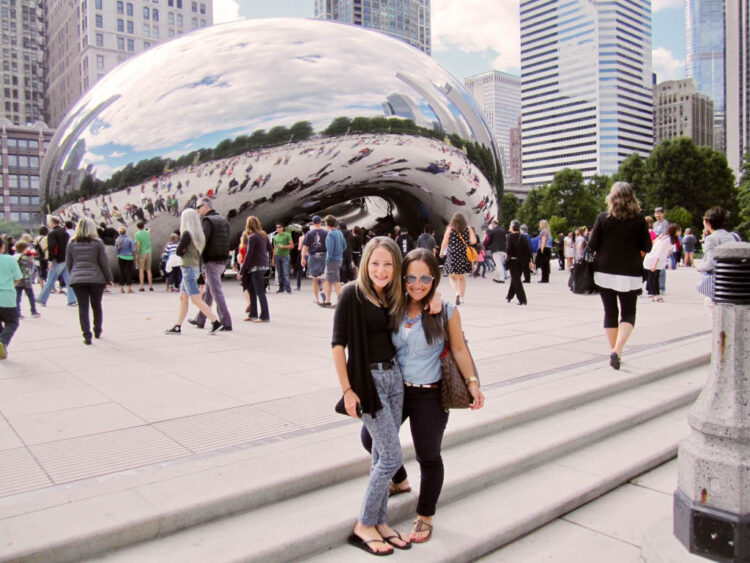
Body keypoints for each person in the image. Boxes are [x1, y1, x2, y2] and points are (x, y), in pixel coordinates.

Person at [361, 249, 484, 544]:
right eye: (411, 278)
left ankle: (425, 515)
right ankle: (400, 480)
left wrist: (473, 383)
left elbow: (458, 349)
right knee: (370, 438)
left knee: (428, 455)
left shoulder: (446, 311)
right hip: (396, 391)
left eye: (425, 279)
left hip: (429, 394)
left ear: (435, 278)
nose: (418, 284)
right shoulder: (394, 305)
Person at [331, 237, 409, 556]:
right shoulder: (352, 294)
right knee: (391, 456)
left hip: (394, 379)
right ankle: (364, 523)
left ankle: (380, 521)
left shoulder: (390, 295)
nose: (381, 270)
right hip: (368, 381)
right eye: (375, 263)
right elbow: (338, 345)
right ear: (365, 264)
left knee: (380, 454)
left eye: (388, 264)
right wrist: (347, 390)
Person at [588, 182, 652, 370]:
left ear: (612, 198)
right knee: (628, 313)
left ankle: (613, 350)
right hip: (630, 272)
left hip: (604, 271)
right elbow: (647, 247)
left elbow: (592, 244)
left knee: (610, 312)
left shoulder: (603, 218)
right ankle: (618, 350)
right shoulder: (639, 220)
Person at [165, 209, 224, 335]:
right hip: (193, 267)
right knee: (183, 297)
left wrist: (183, 250)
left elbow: (178, 251)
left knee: (195, 299)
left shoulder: (187, 234)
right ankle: (177, 326)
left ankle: (215, 322)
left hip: (188, 269)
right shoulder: (199, 235)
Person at [66, 218, 115, 345]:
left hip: (78, 279)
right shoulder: (98, 243)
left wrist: (73, 275)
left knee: (83, 307)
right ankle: (97, 330)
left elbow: (69, 263)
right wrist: (109, 278)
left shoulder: (71, 243)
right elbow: (104, 262)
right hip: (96, 278)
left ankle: (86, 335)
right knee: (96, 305)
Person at [190, 198, 233, 330]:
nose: (197, 210)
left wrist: (196, 259)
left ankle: (226, 322)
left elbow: (202, 241)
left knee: (216, 292)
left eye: (198, 207)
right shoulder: (223, 220)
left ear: (206, 206)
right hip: (222, 259)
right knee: (208, 292)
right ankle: (200, 319)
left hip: (211, 260)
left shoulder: (207, 221)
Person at [696, 207, 740, 302]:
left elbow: (711, 263)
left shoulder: (711, 238)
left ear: (708, 223)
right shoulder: (734, 236)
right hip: (736, 281)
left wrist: (699, 267)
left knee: (709, 303)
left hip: (720, 283)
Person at [37, 216, 77, 307]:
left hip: (57, 260)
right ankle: (72, 299)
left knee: (50, 280)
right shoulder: (65, 233)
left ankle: (42, 299)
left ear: (52, 223)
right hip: (65, 258)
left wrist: (50, 260)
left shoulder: (52, 234)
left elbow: (51, 247)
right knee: (69, 281)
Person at [238, 216, 272, 322]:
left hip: (255, 267)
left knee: (259, 291)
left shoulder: (251, 237)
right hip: (263, 265)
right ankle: (253, 314)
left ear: (248, 225)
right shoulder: (264, 235)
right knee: (252, 290)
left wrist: (241, 271)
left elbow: (248, 255)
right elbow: (270, 249)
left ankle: (265, 316)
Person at [439, 212, 477, 305]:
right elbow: (473, 241)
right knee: (461, 277)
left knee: (452, 277)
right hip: (464, 253)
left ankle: (456, 293)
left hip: (453, 253)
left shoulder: (450, 229)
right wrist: (466, 241)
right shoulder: (468, 228)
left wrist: (442, 251)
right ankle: (462, 298)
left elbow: (445, 241)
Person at [644, 223, 679, 302]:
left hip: (658, 260)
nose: (680, 232)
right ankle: (654, 295)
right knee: (652, 278)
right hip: (653, 260)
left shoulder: (670, 239)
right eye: (678, 230)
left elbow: (668, 251)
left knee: (656, 277)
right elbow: (659, 252)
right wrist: (655, 265)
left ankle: (656, 294)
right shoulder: (667, 240)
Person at [0, 236, 22, 360]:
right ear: (2, 247)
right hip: (7, 296)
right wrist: (9, 285)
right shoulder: (10, 259)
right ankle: (2, 342)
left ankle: (1, 345)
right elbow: (18, 277)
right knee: (12, 322)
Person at [301, 215, 328, 305]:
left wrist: (303, 258)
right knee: (324, 278)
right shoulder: (326, 233)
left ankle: (316, 299)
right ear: (320, 222)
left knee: (315, 279)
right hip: (323, 256)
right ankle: (324, 293)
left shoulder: (309, 233)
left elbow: (305, 247)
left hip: (313, 257)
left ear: (312, 223)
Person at [321, 215, 346, 307]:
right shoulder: (339, 233)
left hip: (332, 261)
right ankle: (327, 301)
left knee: (336, 282)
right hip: (339, 259)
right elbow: (344, 246)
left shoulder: (330, 234)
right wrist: (339, 252)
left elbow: (330, 250)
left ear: (327, 223)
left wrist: (328, 260)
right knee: (329, 280)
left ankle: (341, 302)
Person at [505, 220, 532, 305]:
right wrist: (530, 260)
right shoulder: (522, 236)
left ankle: (522, 299)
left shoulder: (510, 237)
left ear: (512, 227)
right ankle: (509, 296)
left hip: (513, 261)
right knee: (515, 279)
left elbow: (508, 249)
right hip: (522, 261)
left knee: (516, 280)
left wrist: (507, 256)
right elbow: (528, 249)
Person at [13, 240, 40, 319]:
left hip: (17, 280)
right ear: (24, 249)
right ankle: (33, 311)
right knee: (31, 296)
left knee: (17, 297)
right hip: (26, 280)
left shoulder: (14, 257)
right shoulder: (24, 258)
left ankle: (17, 313)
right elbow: (27, 267)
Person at [272, 222, 293, 294]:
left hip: (285, 256)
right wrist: (273, 259)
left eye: (279, 227)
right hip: (277, 256)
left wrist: (283, 246)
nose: (277, 228)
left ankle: (288, 288)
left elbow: (291, 246)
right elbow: (274, 248)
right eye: (277, 227)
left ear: (283, 228)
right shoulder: (275, 236)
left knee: (285, 273)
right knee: (279, 273)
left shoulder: (287, 235)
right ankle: (281, 288)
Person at [115, 227, 136, 293]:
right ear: (125, 232)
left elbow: (116, 249)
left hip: (121, 257)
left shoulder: (117, 240)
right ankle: (129, 288)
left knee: (122, 272)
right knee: (129, 272)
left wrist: (119, 254)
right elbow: (133, 249)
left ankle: (121, 288)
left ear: (119, 232)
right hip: (129, 257)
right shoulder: (129, 239)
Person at [134, 221, 154, 292]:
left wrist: (137, 254)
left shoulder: (137, 234)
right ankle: (150, 286)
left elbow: (138, 244)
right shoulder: (147, 233)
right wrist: (148, 229)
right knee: (149, 269)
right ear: (143, 226)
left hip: (142, 253)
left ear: (137, 227)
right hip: (149, 252)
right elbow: (149, 230)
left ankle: (142, 286)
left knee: (141, 270)